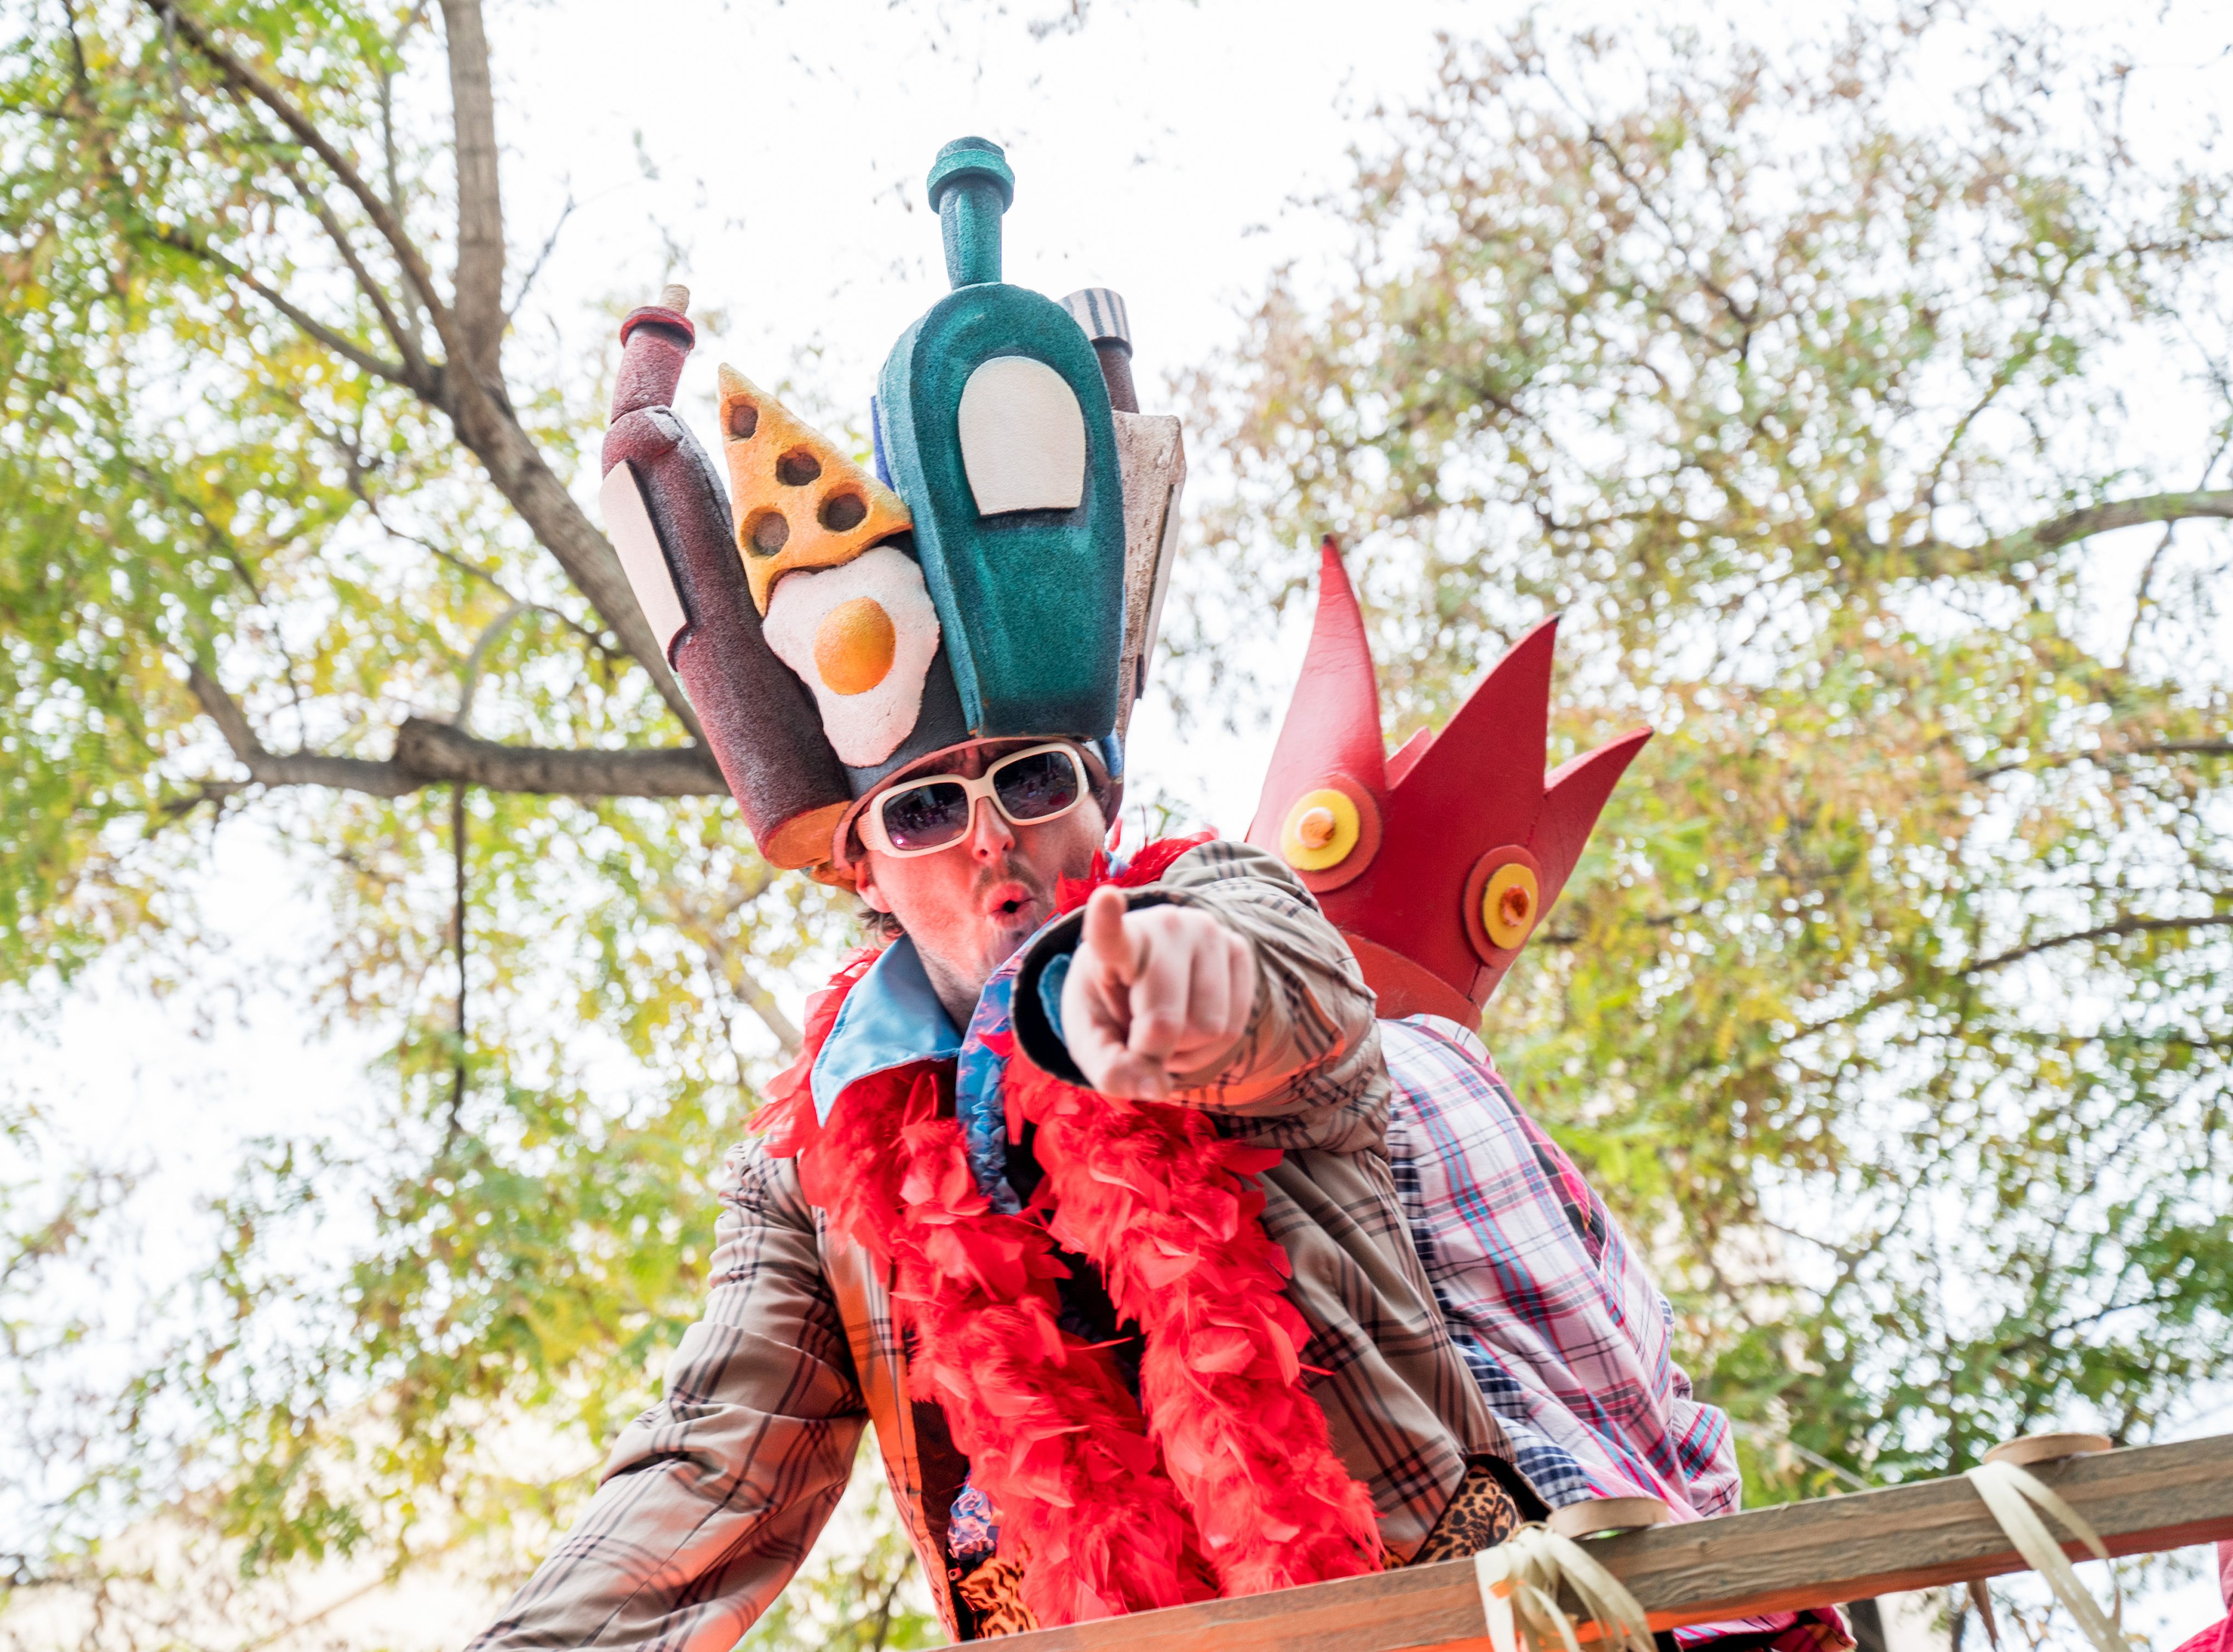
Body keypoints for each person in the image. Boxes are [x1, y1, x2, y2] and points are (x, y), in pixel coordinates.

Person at [464, 140, 1527, 1650]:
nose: (991, 839)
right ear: (865, 871)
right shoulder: (810, 1173)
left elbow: (1285, 985)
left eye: (1033, 779)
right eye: (924, 805)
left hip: (1428, 1618)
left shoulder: (1215, 899)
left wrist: (1174, 998)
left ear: (1097, 798)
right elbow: (709, 1472)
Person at [1245, 539, 1848, 1652]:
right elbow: (1680, 1428)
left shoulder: (1352, 1078)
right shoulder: (1518, 1126)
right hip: (1707, 1601)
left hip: (1546, 1599)